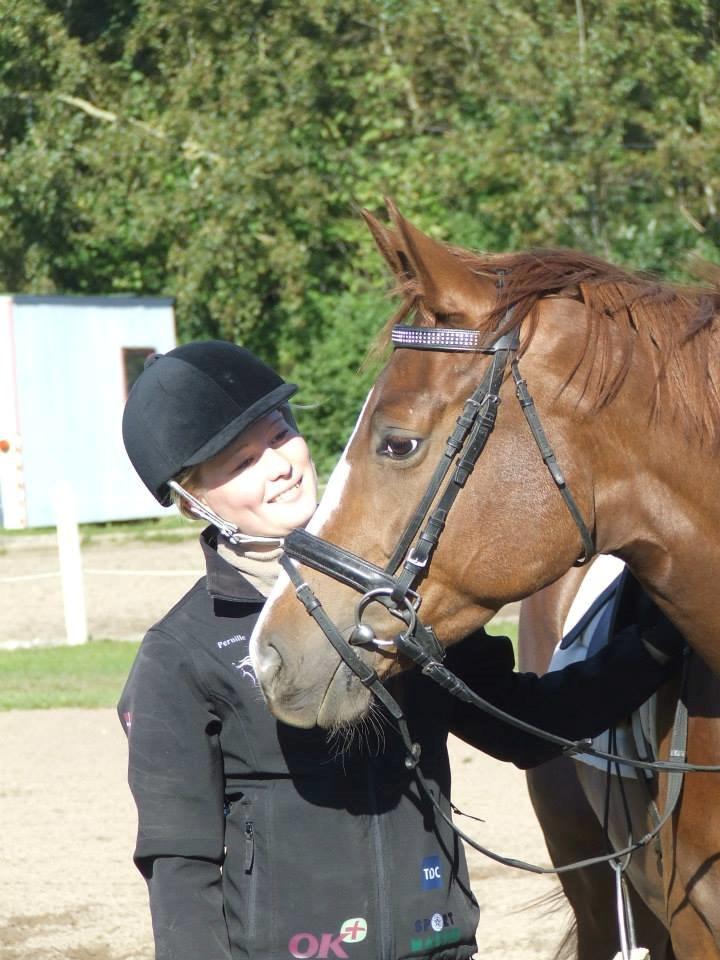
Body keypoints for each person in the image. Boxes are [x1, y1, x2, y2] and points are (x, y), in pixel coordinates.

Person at [118, 340, 684, 960]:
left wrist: (661, 641)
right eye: (241, 462)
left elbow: (527, 726)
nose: (278, 465)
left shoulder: (396, 603)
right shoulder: (179, 652)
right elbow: (181, 862)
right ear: (192, 500)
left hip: (436, 943)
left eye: (279, 436)